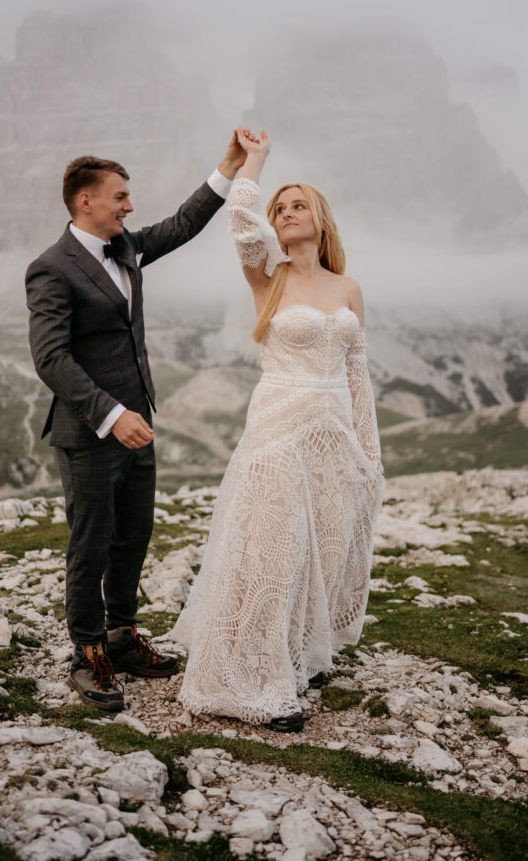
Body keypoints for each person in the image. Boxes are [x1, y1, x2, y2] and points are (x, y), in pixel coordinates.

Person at [25, 133, 248, 711]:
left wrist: (227, 167)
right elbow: (51, 358)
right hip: (91, 432)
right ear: (85, 201)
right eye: (120, 197)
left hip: (138, 427)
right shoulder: (51, 269)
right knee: (91, 543)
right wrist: (110, 414)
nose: (129, 207)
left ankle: (121, 637)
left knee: (134, 537)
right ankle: (88, 651)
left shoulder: (124, 247)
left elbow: (181, 225)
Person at [173, 129, 385, 732]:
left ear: (319, 218)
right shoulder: (267, 276)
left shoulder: (349, 289)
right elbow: (241, 219)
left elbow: (357, 377)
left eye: (298, 205)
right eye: (280, 208)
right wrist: (256, 161)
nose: (286, 213)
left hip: (332, 437)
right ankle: (248, 683)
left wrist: (370, 455)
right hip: (277, 428)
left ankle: (291, 654)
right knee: (273, 550)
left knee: (318, 550)